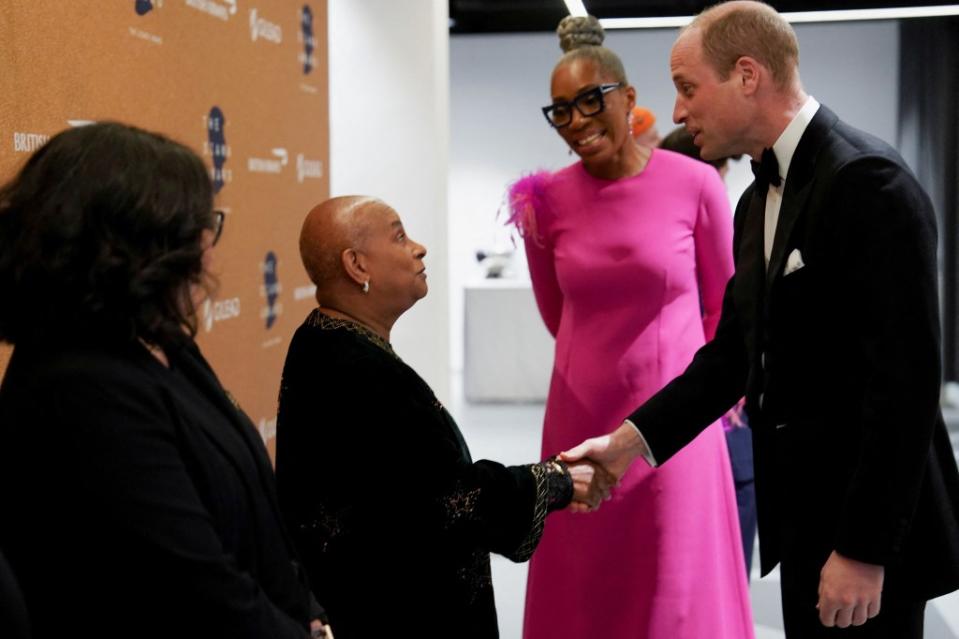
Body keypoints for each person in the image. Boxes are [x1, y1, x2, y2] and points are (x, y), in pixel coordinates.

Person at [563, 2, 959, 637]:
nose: (676, 114)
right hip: (802, 523)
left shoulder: (868, 181)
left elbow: (906, 388)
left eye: (688, 89)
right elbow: (731, 359)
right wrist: (626, 444)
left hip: (865, 541)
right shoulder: (753, 203)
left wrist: (863, 550)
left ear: (748, 75)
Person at [0, 122, 330, 639]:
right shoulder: (80, 389)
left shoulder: (161, 342)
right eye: (197, 228)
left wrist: (308, 615)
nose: (208, 252)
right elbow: (197, 593)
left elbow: (259, 517)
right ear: (133, 243)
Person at [508, 15, 753, 639]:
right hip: (580, 410)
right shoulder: (543, 202)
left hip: (677, 412)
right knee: (589, 574)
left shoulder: (696, 182)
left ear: (628, 98)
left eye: (592, 100)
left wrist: (713, 397)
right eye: (561, 111)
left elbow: (726, 309)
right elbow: (555, 313)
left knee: (672, 575)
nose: (578, 122)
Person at [274, 196, 613, 639]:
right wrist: (553, 481)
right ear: (357, 266)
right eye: (399, 236)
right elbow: (448, 499)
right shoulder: (356, 370)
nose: (419, 248)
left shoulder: (328, 344)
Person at [660, 125, 757, 576]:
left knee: (738, 489)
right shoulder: (684, 231)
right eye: (717, 171)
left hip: (716, 387)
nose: (721, 183)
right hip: (704, 388)